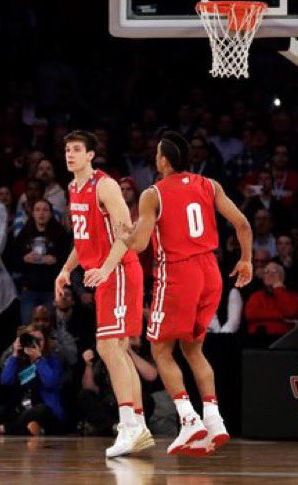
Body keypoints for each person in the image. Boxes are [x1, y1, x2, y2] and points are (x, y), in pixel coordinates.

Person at [113, 131, 253, 455]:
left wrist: (124, 235)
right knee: (193, 350)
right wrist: (245, 260)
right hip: (211, 272)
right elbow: (243, 224)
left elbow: (141, 243)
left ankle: (188, 418)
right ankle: (214, 419)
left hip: (178, 272)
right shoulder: (210, 185)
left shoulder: (152, 194)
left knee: (160, 350)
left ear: (164, 160)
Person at [53, 130, 153, 458]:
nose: (70, 154)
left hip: (120, 271)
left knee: (109, 347)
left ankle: (130, 425)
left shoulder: (105, 185)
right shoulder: (73, 188)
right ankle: (136, 425)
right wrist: (66, 269)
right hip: (104, 274)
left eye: (77, 149)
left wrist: (108, 268)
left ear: (91, 155)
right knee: (117, 350)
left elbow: (125, 232)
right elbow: (83, 241)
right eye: (67, 149)